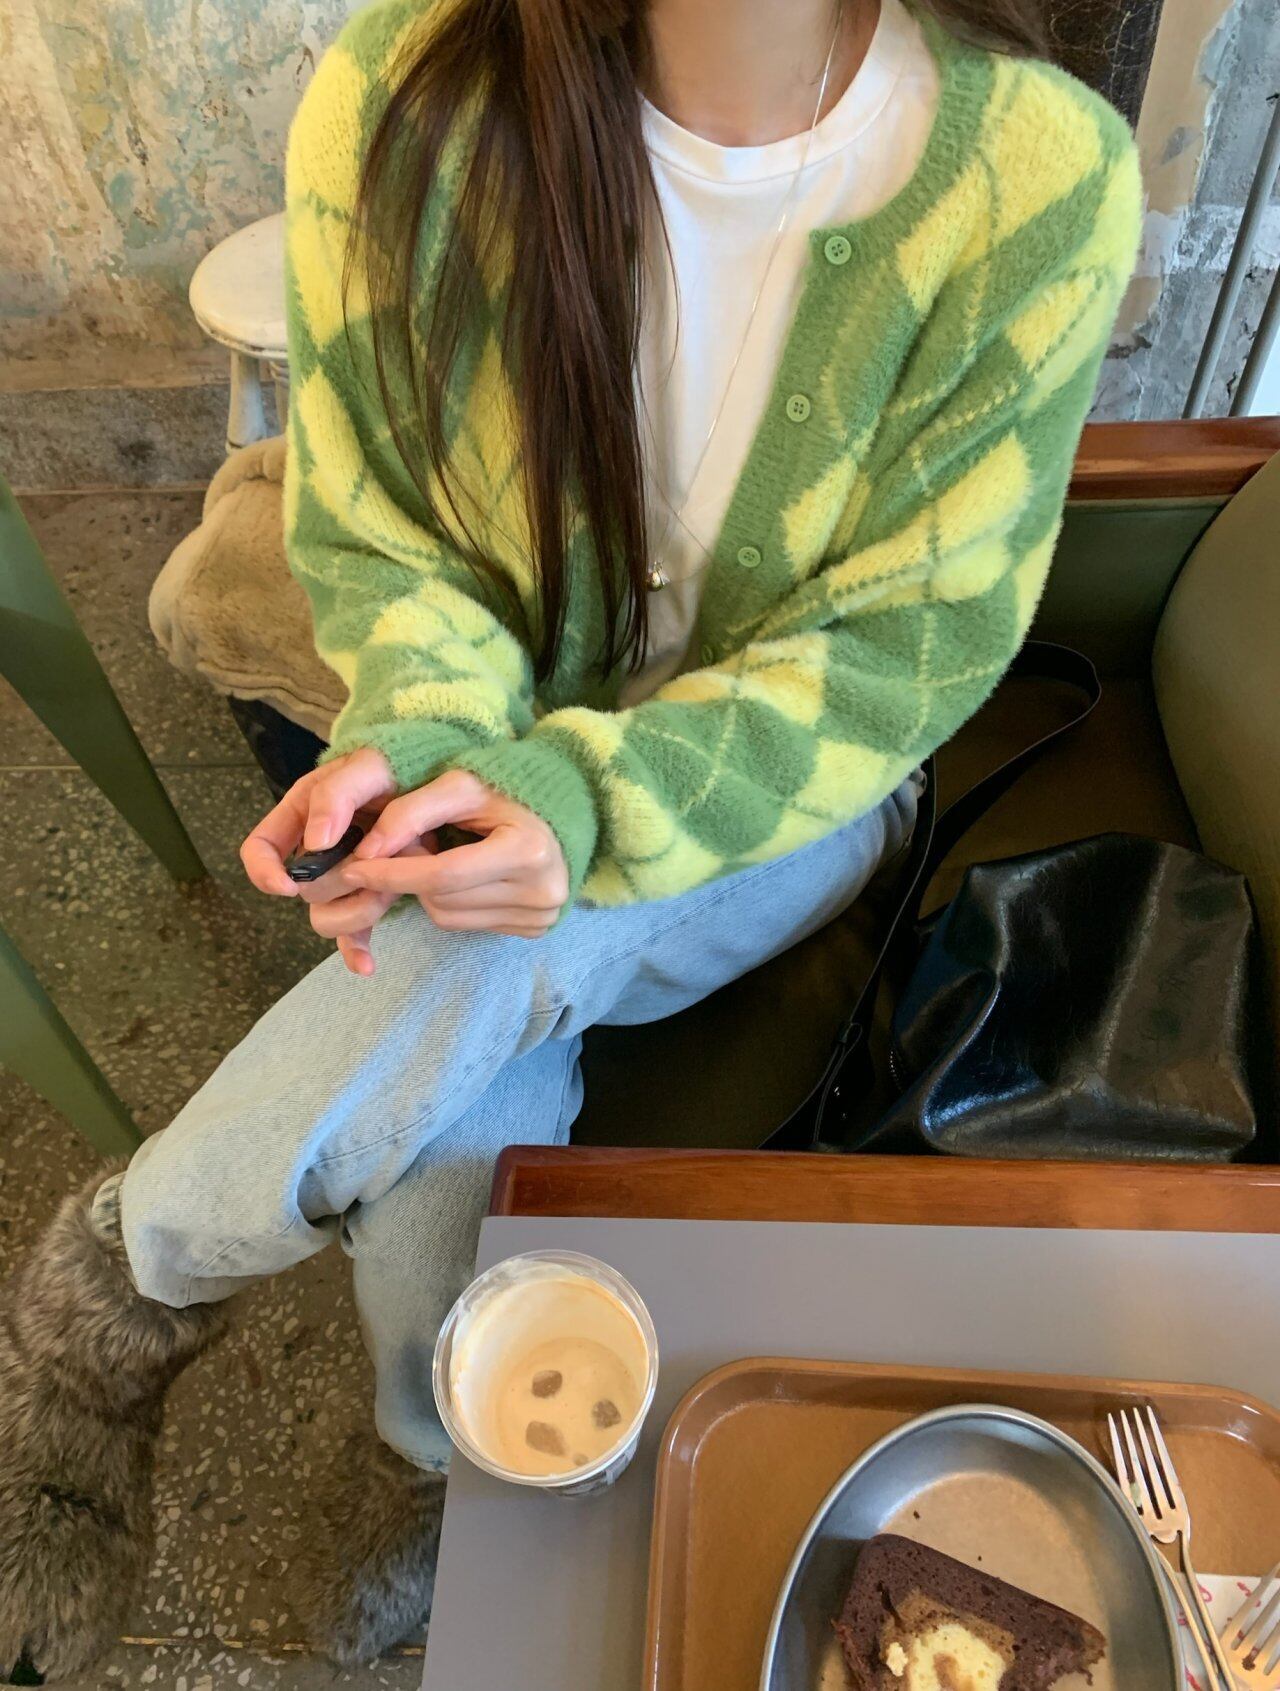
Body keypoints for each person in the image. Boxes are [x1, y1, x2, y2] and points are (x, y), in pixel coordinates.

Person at [0, 0, 1140, 1675]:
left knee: (480, 945)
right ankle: (441, 1451)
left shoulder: (1038, 178)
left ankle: (116, 1298)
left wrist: (585, 807)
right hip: (494, 728)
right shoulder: (402, 97)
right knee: (466, 1027)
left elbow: (901, 651)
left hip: (796, 792)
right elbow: (387, 537)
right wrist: (436, 759)